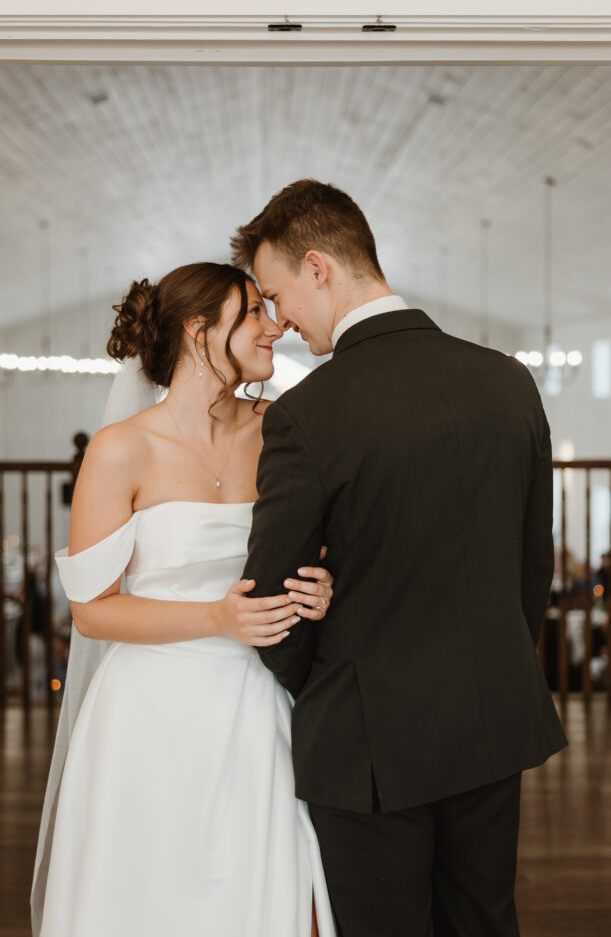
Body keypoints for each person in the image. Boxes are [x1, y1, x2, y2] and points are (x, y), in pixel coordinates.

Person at [231, 179, 568, 937]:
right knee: (483, 921)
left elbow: (269, 597)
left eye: (277, 294)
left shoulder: (307, 414)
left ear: (318, 267)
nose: (278, 322)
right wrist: (492, 661)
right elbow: (530, 565)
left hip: (366, 741)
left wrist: (322, 680)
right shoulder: (506, 382)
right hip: (490, 718)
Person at [31, 262, 337, 937]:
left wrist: (320, 588)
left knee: (277, 893)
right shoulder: (121, 451)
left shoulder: (282, 428)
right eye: (253, 311)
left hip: (260, 702)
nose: (275, 324)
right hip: (149, 716)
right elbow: (92, 610)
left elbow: (315, 547)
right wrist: (217, 618)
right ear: (199, 333)